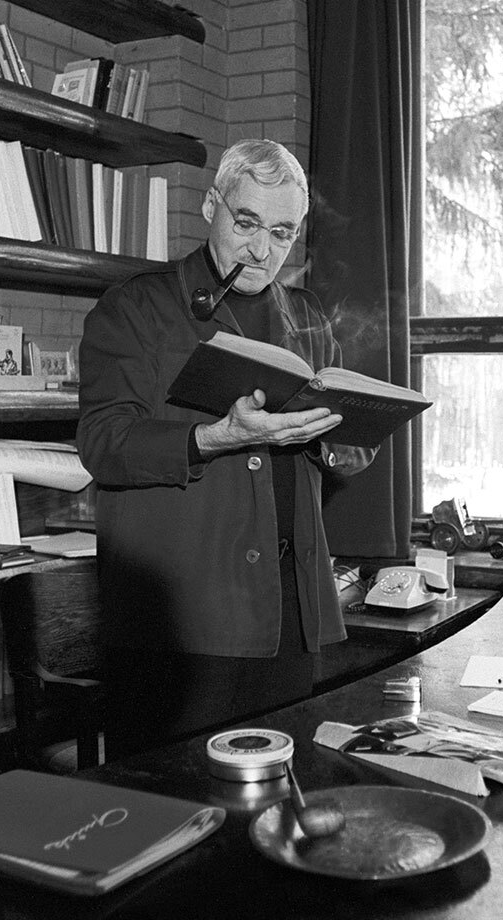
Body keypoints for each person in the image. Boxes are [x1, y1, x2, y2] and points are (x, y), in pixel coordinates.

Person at [76, 139, 376, 760]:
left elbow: (346, 446)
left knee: (280, 791)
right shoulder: (136, 306)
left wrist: (337, 437)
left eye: (282, 233)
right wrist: (217, 437)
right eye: (246, 223)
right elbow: (103, 444)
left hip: (289, 612)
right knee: (173, 797)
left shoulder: (307, 316)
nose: (262, 250)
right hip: (182, 620)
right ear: (211, 205)